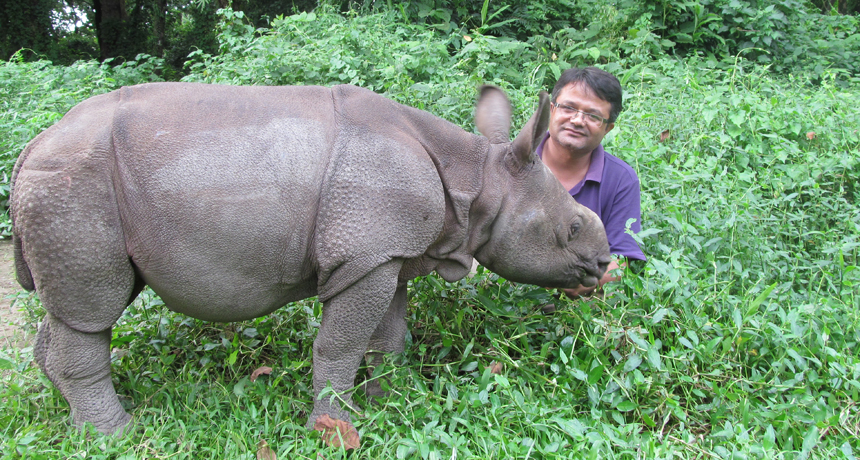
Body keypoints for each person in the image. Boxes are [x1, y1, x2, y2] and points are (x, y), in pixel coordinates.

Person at [536, 67, 646, 298]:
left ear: (608, 128)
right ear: (551, 110)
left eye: (593, 116)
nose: (577, 120)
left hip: (576, 305)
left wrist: (575, 277)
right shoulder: (511, 160)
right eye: (568, 107)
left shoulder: (621, 179)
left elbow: (623, 261)